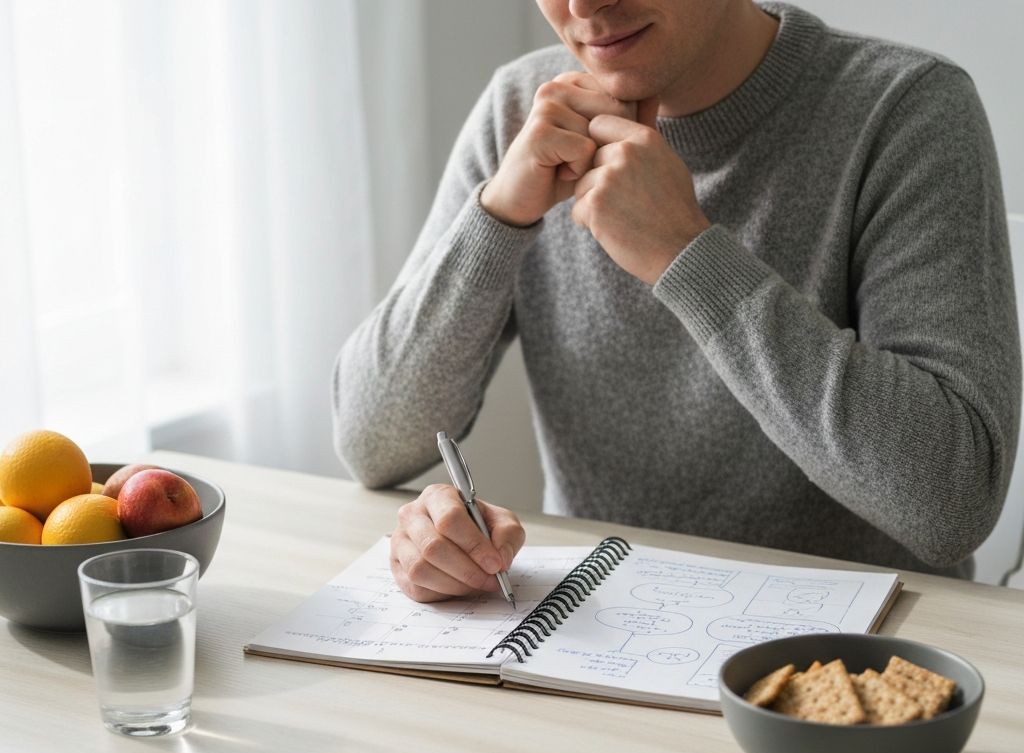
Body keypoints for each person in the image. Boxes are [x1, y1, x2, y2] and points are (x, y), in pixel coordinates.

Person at [334, 0, 1019, 602]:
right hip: (599, 636)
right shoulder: (523, 110)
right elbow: (371, 443)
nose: (584, 4)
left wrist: (684, 253)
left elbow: (951, 502)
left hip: (847, 662)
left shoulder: (905, 108)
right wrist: (497, 217)